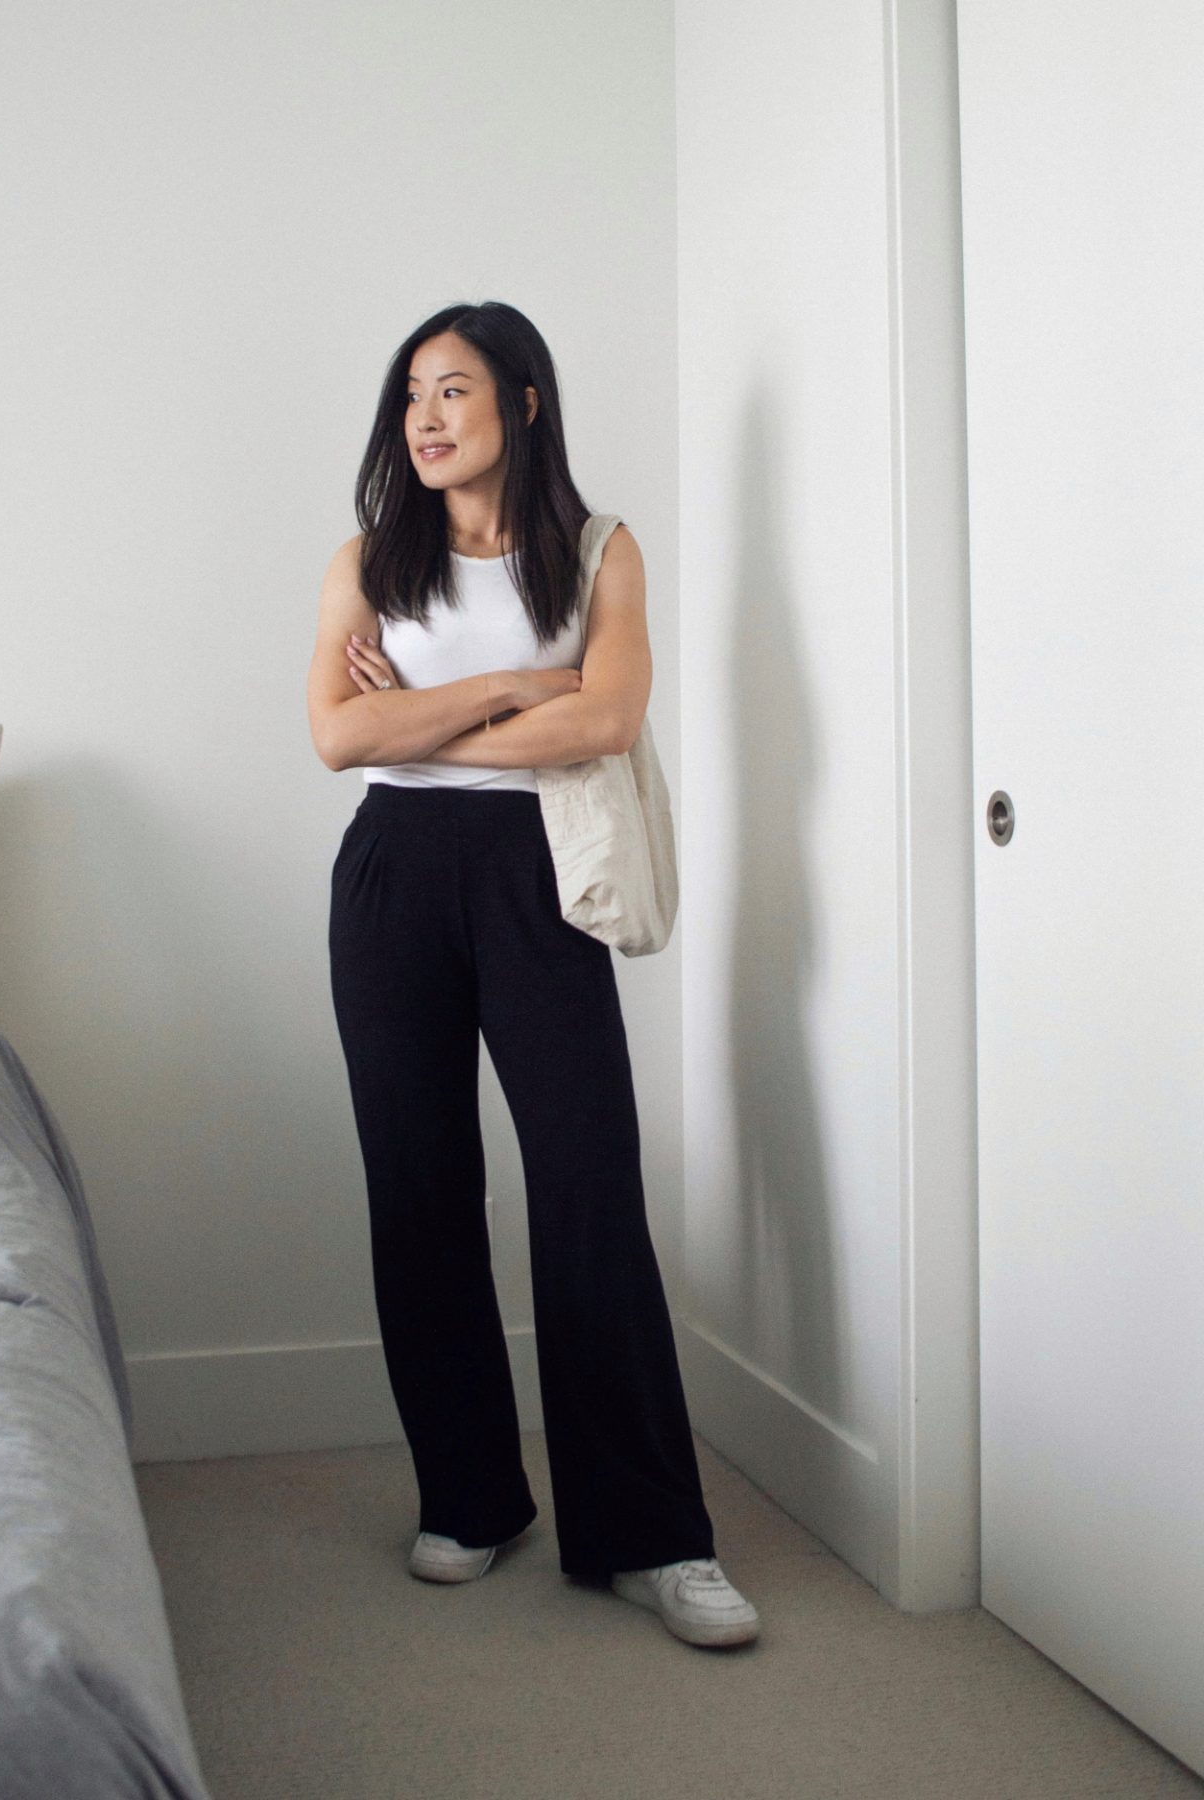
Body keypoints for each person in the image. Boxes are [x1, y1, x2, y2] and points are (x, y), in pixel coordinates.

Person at [305, 300, 760, 1650]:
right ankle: (473, 1498)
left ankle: (652, 1537)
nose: (427, 419)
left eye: (453, 390)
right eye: (410, 397)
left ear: (525, 401)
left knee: (586, 1184)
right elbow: (337, 736)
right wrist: (519, 693)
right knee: (421, 1183)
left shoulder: (599, 550)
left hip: (538, 871)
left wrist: (432, 709)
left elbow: (611, 720)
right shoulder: (365, 561)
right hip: (391, 876)